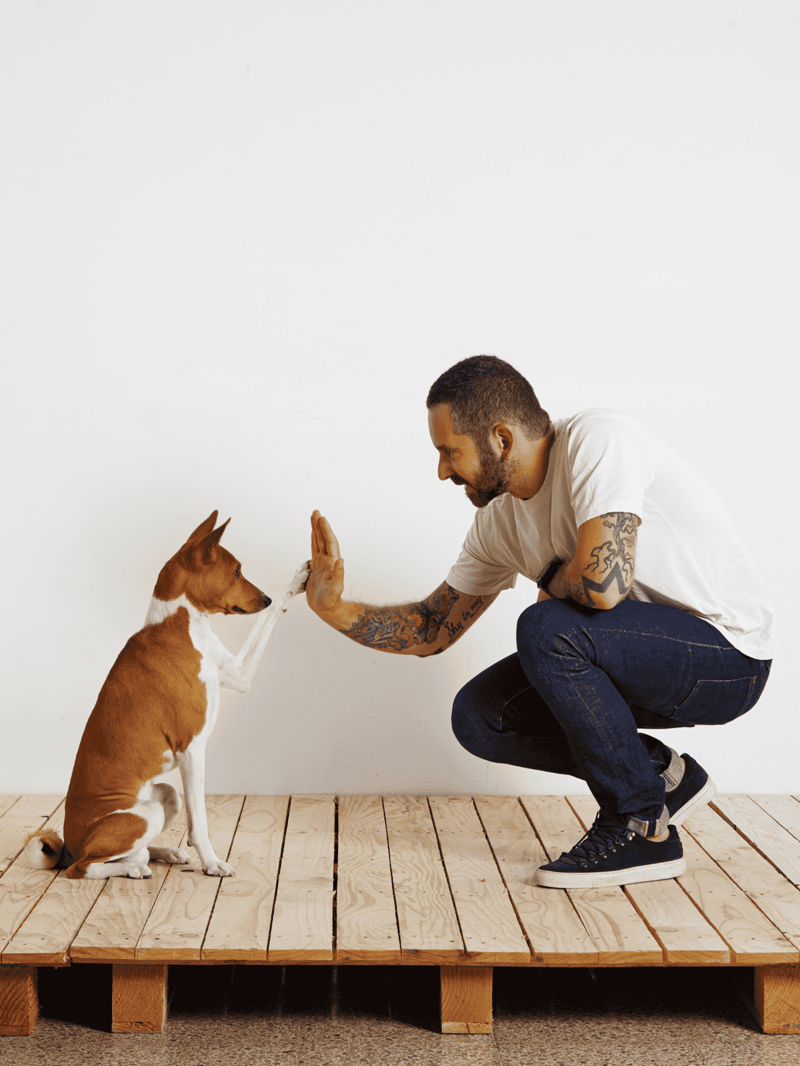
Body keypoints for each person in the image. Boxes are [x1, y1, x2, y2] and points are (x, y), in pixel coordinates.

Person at [305, 355, 775, 889]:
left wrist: (550, 579)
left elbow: (604, 585)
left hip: (729, 660)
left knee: (546, 627)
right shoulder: (498, 523)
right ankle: (662, 778)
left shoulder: (597, 441)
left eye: (449, 451)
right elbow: (433, 629)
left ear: (501, 438)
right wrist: (333, 608)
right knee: (481, 715)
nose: (442, 471)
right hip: (641, 667)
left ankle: (643, 827)